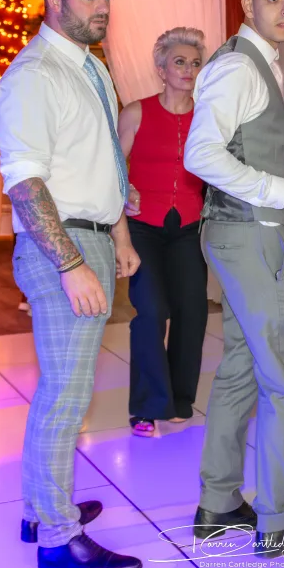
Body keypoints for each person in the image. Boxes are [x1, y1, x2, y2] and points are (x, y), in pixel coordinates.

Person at [0, 0, 142, 568]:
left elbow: (100, 160)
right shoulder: (34, 76)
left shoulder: (92, 66)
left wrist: (119, 232)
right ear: (55, 0)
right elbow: (25, 184)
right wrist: (74, 262)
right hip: (64, 252)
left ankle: (38, 506)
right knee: (65, 398)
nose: (103, 7)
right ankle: (57, 536)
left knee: (62, 392)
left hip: (94, 238)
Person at [183, 0, 284, 558]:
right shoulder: (241, 67)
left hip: (241, 231)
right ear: (246, 4)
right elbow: (201, 153)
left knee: (242, 371)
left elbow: (236, 145)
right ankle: (277, 521)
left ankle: (217, 506)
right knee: (282, 384)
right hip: (253, 235)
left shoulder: (257, 65)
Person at [118, 27, 208, 437]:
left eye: (194, 62)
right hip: (143, 226)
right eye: (179, 62)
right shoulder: (136, 112)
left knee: (193, 311)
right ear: (161, 68)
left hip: (190, 226)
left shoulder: (208, 115)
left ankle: (179, 398)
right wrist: (125, 189)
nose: (188, 69)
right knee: (152, 312)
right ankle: (146, 406)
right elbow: (114, 167)